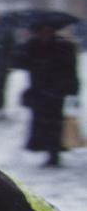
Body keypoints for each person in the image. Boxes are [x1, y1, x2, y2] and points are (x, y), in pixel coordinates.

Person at [13, 22, 80, 166]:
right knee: (43, 123)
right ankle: (49, 150)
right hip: (39, 91)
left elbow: (71, 71)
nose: (44, 33)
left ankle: (53, 153)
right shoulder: (32, 45)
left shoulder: (65, 46)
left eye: (48, 30)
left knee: (54, 123)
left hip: (57, 91)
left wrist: (74, 93)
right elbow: (18, 63)